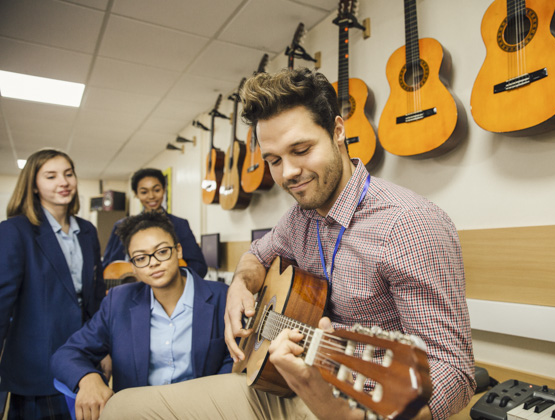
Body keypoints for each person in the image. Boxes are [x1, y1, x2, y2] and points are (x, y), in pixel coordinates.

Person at [100, 68, 475, 420]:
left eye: (301, 150)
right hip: (283, 385)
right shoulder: (299, 218)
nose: (288, 174)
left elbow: (455, 376)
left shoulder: (407, 224)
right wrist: (240, 287)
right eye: (274, 160)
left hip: (364, 405)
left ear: (338, 131)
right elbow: (256, 256)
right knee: (122, 408)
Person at [52, 211, 232, 420]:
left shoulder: (222, 296)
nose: (153, 263)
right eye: (141, 258)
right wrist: (89, 378)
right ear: (133, 267)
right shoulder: (118, 302)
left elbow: (237, 357)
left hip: (203, 413)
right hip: (139, 413)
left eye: (162, 251)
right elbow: (67, 354)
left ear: (178, 251)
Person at [0, 148, 106, 419]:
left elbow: (94, 299)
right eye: (51, 176)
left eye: (68, 174)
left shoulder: (87, 231)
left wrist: (106, 349)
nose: (63, 182)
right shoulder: (15, 230)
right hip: (37, 365)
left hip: (84, 361)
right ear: (33, 185)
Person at [102, 168, 208, 278]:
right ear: (136, 194)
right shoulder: (122, 226)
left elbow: (199, 266)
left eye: (156, 190)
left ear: (164, 190)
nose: (151, 196)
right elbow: (108, 266)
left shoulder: (179, 224)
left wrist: (175, 282)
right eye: (144, 192)